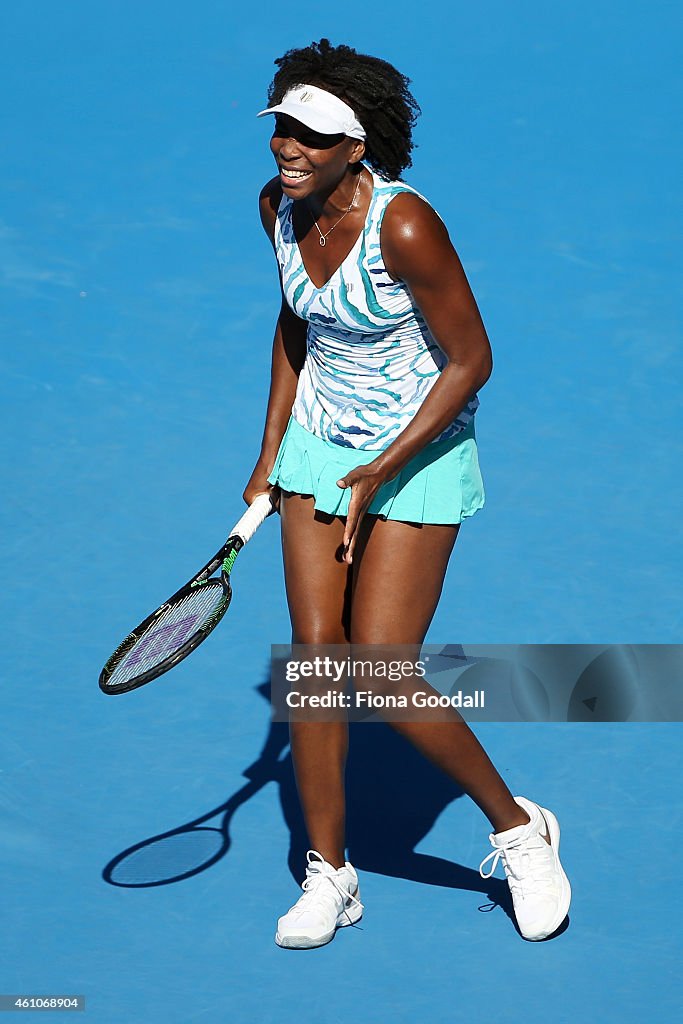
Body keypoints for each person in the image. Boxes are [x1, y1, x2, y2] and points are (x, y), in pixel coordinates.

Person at [243, 39, 571, 948]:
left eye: (313, 134)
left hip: (416, 454)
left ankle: (519, 830)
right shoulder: (277, 206)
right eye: (283, 128)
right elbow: (292, 320)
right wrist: (272, 451)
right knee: (315, 664)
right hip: (321, 447)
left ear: (358, 146)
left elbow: (473, 360)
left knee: (383, 669)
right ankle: (330, 876)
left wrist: (383, 466)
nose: (289, 148)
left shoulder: (405, 227)